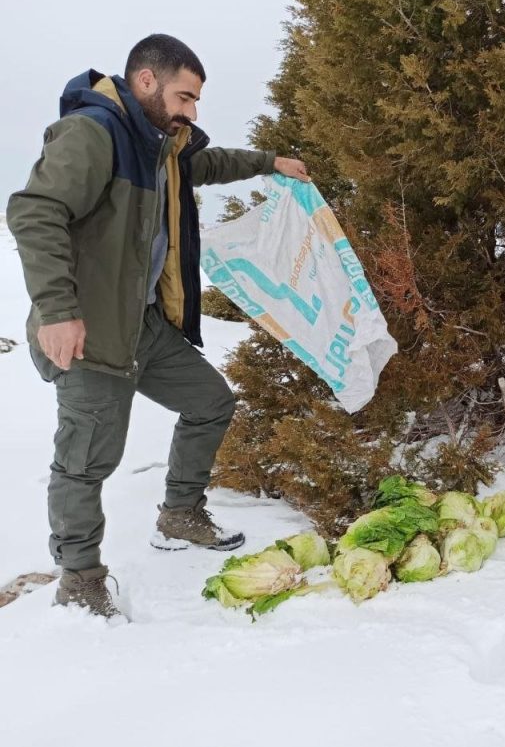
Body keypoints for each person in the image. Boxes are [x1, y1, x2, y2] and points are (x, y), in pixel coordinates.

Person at [7, 34, 311, 620]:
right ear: (146, 81)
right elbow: (35, 212)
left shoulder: (161, 146)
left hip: (141, 324)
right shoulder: (96, 134)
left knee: (211, 402)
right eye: (185, 97)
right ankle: (81, 580)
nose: (192, 112)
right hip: (89, 331)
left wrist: (271, 163)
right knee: (86, 462)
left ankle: (178, 516)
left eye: (195, 102)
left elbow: (211, 161)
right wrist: (57, 311)